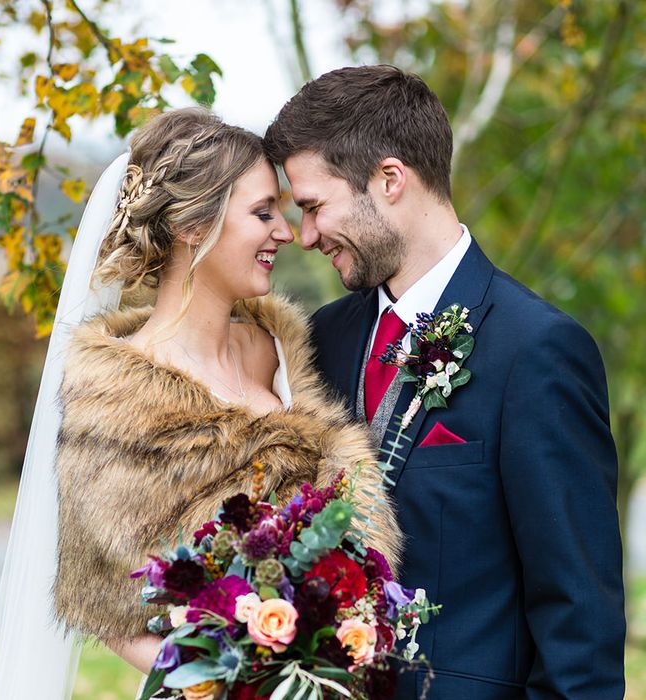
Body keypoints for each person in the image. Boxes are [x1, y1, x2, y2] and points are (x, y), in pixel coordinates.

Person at [0, 108, 401, 699]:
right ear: (192, 227)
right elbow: (105, 606)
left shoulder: (283, 351)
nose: (285, 232)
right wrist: (252, 682)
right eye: (262, 212)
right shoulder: (114, 401)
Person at [263, 65, 626, 700]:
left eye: (315, 206)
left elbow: (580, 625)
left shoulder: (537, 350)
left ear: (390, 179)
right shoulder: (320, 340)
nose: (309, 235)